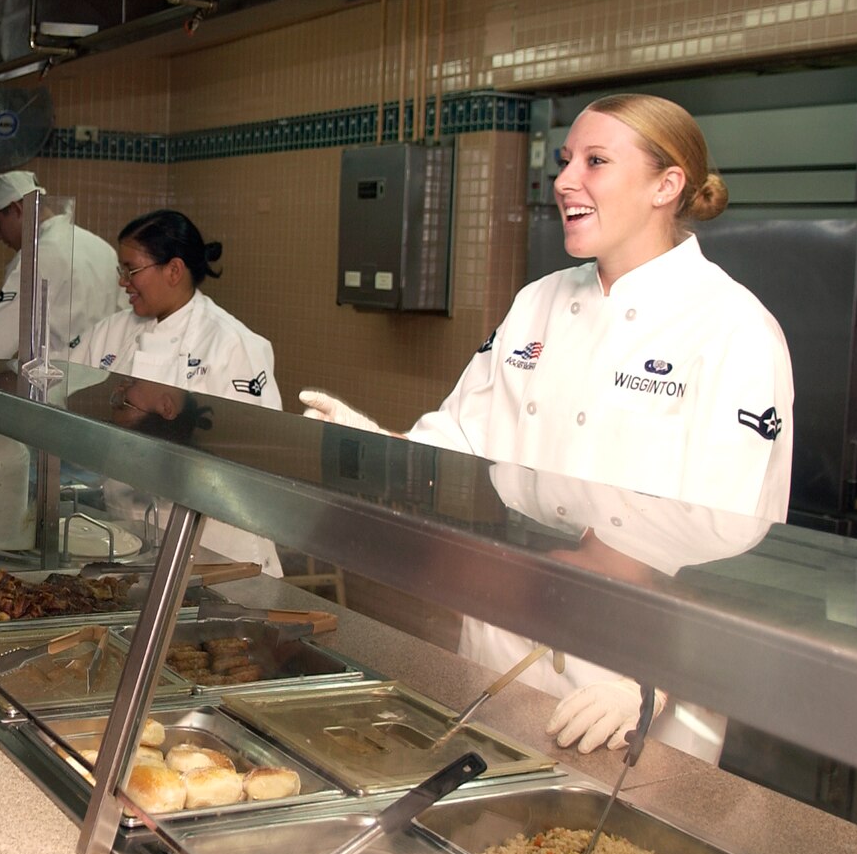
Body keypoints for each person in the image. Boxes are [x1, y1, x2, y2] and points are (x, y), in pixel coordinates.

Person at [301, 94, 794, 762]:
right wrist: (380, 447)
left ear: (666, 184)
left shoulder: (732, 328)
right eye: (566, 161)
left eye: (595, 161)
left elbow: (730, 539)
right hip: (503, 644)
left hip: (633, 681)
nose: (564, 182)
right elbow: (466, 438)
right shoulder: (539, 303)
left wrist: (650, 680)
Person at [71, 209, 283, 573]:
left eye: (131, 270)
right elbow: (70, 398)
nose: (123, 282)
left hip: (215, 547)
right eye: (121, 271)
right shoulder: (111, 331)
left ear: (173, 270)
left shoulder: (232, 344)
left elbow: (254, 452)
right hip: (125, 534)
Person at [0, 169, 125, 360]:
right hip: (102, 375)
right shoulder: (103, 248)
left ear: (17, 209)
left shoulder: (37, 255)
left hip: (58, 381)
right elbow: (123, 316)